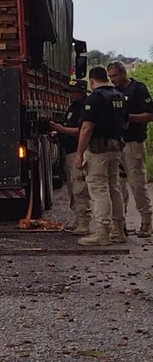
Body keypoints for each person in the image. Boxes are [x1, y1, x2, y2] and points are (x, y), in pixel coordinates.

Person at [75, 67, 128, 246]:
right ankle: (118, 230)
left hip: (98, 149)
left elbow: (87, 128)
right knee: (114, 189)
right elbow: (125, 123)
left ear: (92, 81)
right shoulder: (119, 96)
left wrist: (79, 153)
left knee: (98, 190)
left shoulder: (95, 98)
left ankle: (102, 232)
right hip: (115, 147)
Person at [107, 60, 153, 237]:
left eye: (115, 76)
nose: (113, 80)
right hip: (116, 143)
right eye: (110, 77)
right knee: (118, 187)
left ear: (123, 73)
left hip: (133, 142)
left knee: (137, 184)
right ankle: (120, 224)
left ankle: (146, 222)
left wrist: (127, 117)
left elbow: (150, 115)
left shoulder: (138, 90)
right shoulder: (113, 92)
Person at [49, 79, 92, 235]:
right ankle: (78, 219)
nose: (71, 95)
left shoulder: (84, 107)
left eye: (74, 92)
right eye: (70, 92)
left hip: (77, 151)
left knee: (79, 188)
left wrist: (61, 129)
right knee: (72, 188)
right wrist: (58, 132)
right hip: (69, 151)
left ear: (81, 92)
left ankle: (84, 222)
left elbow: (81, 131)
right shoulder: (73, 107)